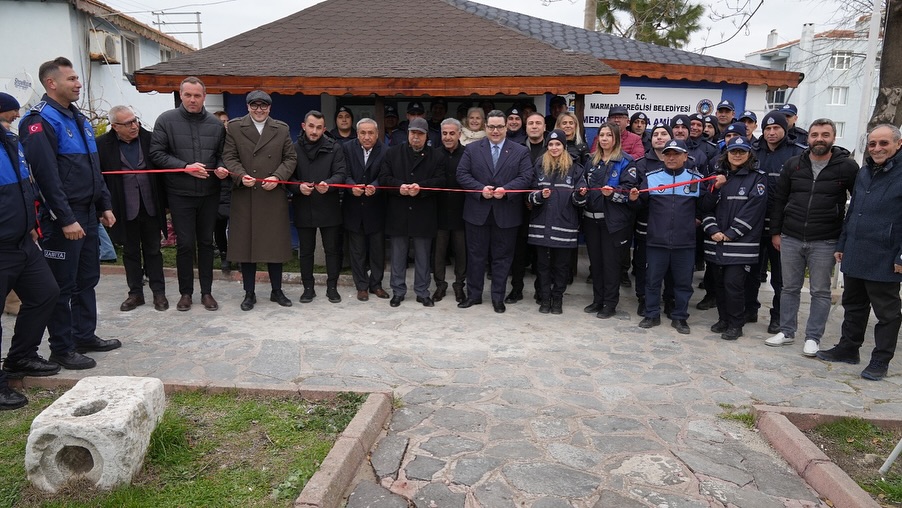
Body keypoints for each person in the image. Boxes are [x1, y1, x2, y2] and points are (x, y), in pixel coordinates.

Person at [18, 56, 119, 370]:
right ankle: (62, 348)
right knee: (62, 286)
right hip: (64, 218)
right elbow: (45, 177)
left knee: (87, 278)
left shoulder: (79, 118)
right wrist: (65, 219)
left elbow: (94, 168)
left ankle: (83, 335)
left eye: (77, 78)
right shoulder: (39, 121)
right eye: (72, 79)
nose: (78, 84)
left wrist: (104, 204)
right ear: (52, 83)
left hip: (87, 213)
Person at [817, 124, 902, 381]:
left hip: (886, 255)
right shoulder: (865, 171)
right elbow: (853, 210)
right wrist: (843, 243)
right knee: (854, 305)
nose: (877, 148)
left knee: (887, 313)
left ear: (898, 144)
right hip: (856, 249)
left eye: (883, 143)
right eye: (872, 143)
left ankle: (880, 360)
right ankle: (848, 348)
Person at [766, 119, 858, 355]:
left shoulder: (847, 167)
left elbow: (857, 205)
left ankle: (813, 337)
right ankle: (786, 331)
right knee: (789, 287)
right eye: (815, 134)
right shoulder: (793, 164)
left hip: (825, 239)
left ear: (833, 138)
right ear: (808, 138)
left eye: (825, 135)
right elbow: (780, 199)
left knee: (820, 291)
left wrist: (844, 239)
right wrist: (776, 232)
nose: (819, 139)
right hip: (791, 236)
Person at [150, 76, 229, 312]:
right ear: (181, 95)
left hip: (209, 193)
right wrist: (184, 167)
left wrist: (222, 168)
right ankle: (186, 293)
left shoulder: (215, 125)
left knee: (206, 242)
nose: (192, 99)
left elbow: (222, 155)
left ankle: (207, 292)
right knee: (185, 244)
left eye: (197, 95)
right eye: (188, 95)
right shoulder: (166, 120)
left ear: (204, 97)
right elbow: (157, 153)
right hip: (180, 193)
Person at [0, 117, 61, 409]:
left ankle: (21, 357)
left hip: (23, 241)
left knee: (45, 293)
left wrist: (32, 224)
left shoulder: (10, 141)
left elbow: (26, 188)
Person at [222, 90, 297, 311]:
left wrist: (278, 177)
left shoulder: (281, 129)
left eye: (263, 106)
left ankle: (277, 290)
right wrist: (240, 175)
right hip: (246, 194)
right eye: (254, 105)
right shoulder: (235, 127)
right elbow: (229, 156)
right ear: (248, 107)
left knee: (274, 246)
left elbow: (290, 158)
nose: (259, 110)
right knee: (247, 247)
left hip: (272, 194)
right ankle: (249, 293)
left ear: (269, 108)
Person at [457, 110, 534, 313]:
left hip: (506, 213)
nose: (495, 131)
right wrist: (479, 189)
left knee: (502, 258)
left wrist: (506, 190)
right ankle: (473, 295)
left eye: (499, 126)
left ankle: (498, 298)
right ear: (485, 127)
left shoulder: (520, 151)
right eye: (491, 127)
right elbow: (462, 174)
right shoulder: (472, 149)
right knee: (475, 256)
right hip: (477, 213)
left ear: (506, 127)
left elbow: (526, 177)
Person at [635, 139, 713, 334]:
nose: (671, 158)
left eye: (676, 154)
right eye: (667, 154)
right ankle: (651, 314)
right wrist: (633, 199)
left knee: (683, 284)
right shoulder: (652, 178)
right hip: (656, 241)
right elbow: (639, 206)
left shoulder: (695, 179)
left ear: (685, 157)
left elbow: (705, 206)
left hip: (685, 242)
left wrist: (716, 189)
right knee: (652, 281)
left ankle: (680, 317)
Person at [98, 106, 168, 312]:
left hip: (150, 206)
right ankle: (135, 293)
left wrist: (166, 205)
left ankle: (159, 292)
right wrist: (103, 209)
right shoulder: (102, 145)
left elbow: (163, 173)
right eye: (127, 123)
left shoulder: (151, 139)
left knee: (153, 251)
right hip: (123, 208)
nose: (134, 126)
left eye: (134, 120)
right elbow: (99, 180)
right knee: (130, 252)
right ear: (115, 126)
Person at [702, 136, 767, 340]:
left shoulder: (757, 178)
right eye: (733, 151)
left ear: (749, 154)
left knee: (734, 285)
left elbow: (753, 211)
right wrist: (713, 230)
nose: (737, 155)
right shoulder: (716, 177)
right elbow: (704, 207)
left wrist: (731, 233)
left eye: (741, 151)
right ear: (726, 154)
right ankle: (723, 319)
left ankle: (736, 324)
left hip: (740, 243)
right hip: (716, 241)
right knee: (719, 284)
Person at [379, 118, 446, 307]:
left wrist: (421, 188)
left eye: (420, 134)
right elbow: (384, 178)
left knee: (423, 255)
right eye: (413, 133)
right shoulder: (393, 153)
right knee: (398, 255)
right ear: (408, 133)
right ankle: (398, 291)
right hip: (398, 211)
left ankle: (422, 291)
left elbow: (440, 181)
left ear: (427, 136)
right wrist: (398, 187)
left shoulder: (436, 156)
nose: (416, 137)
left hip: (423, 212)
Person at [750, 111, 806, 333]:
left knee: (781, 278)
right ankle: (749, 309)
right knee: (751, 273)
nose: (771, 132)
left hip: (783, 227)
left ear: (785, 129)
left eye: (776, 128)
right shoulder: (753, 151)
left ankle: (778, 317)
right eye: (767, 128)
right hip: (754, 224)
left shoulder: (797, 153)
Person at [527, 129, 587, 314]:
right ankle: (545, 299)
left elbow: (581, 201)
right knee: (542, 266)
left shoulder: (575, 168)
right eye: (551, 144)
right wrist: (539, 196)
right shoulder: (539, 165)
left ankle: (557, 299)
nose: (554, 147)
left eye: (558, 144)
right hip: (541, 225)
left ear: (564, 146)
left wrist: (580, 195)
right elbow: (528, 195)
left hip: (564, 225)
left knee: (561, 267)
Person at [582, 123, 638, 318]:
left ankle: (610, 303)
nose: (604, 139)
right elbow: (584, 183)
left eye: (609, 135)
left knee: (611, 265)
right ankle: (598, 300)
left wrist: (612, 194)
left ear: (616, 139)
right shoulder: (591, 160)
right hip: (591, 220)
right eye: (602, 135)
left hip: (613, 223)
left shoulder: (626, 161)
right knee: (596, 264)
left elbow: (629, 193)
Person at [292, 110, 347, 304]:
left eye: (318, 127)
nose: (314, 131)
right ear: (303, 126)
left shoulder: (335, 148)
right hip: (303, 205)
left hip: (328, 205)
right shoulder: (294, 148)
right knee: (306, 251)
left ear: (324, 129)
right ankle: (308, 288)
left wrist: (329, 184)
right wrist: (298, 187)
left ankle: (332, 287)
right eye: (311, 126)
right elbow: (288, 176)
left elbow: (341, 173)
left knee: (332, 250)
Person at [342, 118, 389, 301]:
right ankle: (361, 286)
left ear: (377, 134)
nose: (367, 137)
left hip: (376, 207)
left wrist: (375, 186)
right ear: (357, 134)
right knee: (357, 251)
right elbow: (343, 172)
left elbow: (385, 175)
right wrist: (351, 186)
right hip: (354, 207)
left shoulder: (385, 151)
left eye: (371, 133)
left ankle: (376, 285)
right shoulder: (347, 148)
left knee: (377, 251)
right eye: (363, 133)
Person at [633, 124, 674, 317]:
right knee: (643, 264)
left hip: (673, 225)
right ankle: (644, 298)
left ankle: (670, 299)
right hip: (646, 223)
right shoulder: (641, 164)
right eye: (656, 134)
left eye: (664, 134)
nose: (659, 137)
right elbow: (636, 197)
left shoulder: (684, 161)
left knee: (671, 266)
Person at [434, 118, 467, 303]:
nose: (448, 137)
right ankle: (440, 285)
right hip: (438, 211)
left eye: (452, 133)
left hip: (462, 212)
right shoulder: (434, 154)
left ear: (459, 134)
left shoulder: (468, 154)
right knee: (438, 252)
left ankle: (459, 285)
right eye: (444, 133)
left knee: (461, 252)